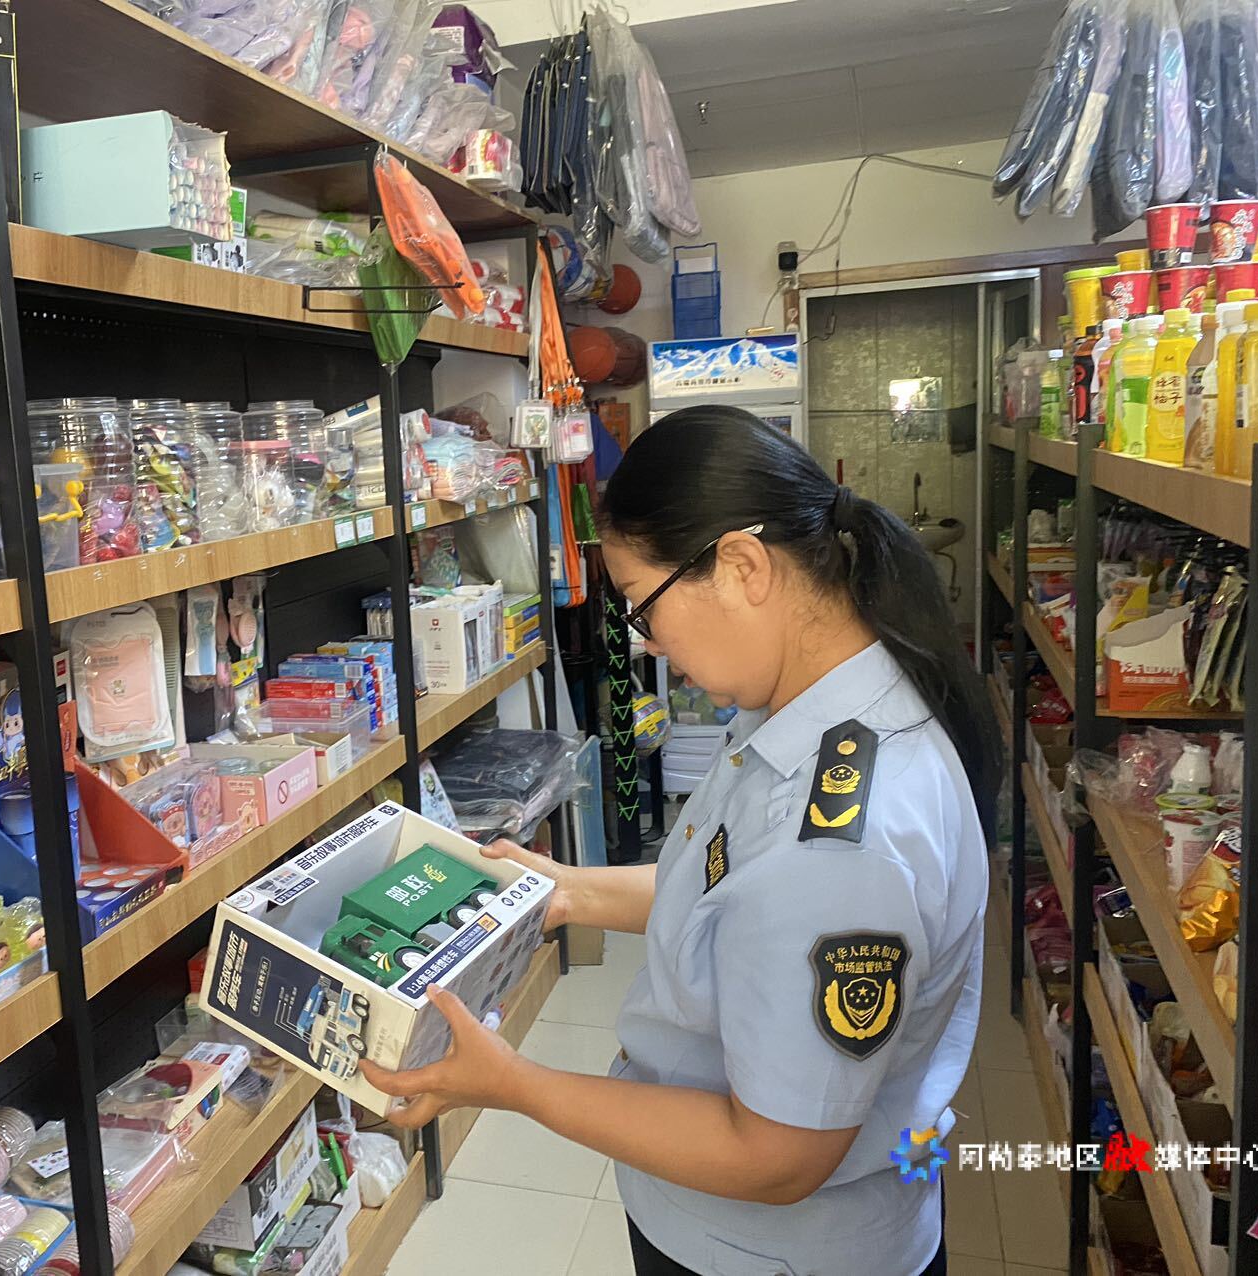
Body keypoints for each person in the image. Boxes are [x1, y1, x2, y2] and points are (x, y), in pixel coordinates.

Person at [362, 406, 1001, 1276]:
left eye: (643, 607)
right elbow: (733, 894)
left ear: (742, 567)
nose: (650, 643)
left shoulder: (839, 843)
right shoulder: (817, 705)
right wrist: (567, 890)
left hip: (767, 1253)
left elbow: (775, 1158)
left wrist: (511, 1084)